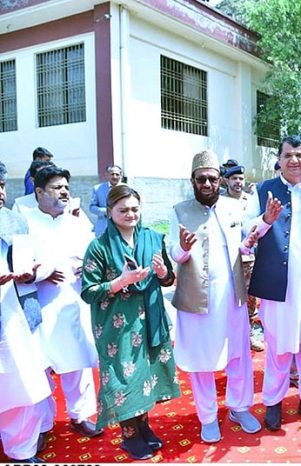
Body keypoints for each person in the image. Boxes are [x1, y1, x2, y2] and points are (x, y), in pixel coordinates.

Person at [80, 185, 180, 460]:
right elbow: (88, 291)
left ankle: (144, 428)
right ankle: (130, 435)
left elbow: (169, 279)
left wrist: (162, 273)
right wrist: (120, 281)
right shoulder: (98, 247)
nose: (130, 214)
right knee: (123, 377)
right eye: (122, 210)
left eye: (135, 209)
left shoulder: (151, 238)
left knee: (144, 374)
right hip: (117, 324)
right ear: (110, 212)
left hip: (150, 316)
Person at [170, 150, 261, 443]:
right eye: (201, 179)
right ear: (192, 180)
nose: (207, 184)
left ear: (220, 179)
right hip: (197, 300)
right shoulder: (179, 211)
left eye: (212, 178)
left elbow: (246, 246)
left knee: (239, 356)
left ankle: (239, 407)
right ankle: (208, 417)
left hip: (232, 297)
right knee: (201, 360)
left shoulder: (235, 208)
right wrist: (183, 248)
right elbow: (175, 253)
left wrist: (251, 241)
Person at [245, 135, 301, 431]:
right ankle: (273, 403)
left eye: (299, 155)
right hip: (276, 284)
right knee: (278, 347)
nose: (294, 160)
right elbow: (246, 232)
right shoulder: (262, 191)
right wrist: (266, 220)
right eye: (288, 156)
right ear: (279, 160)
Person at [22, 165, 102, 439]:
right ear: (39, 192)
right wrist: (40, 274)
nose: (64, 192)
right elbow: (17, 262)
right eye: (57, 187)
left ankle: (80, 416)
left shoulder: (78, 223)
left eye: (66, 187)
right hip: (39, 304)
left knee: (77, 360)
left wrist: (89, 268)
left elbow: (95, 255)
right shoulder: (26, 222)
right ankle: (43, 425)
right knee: (40, 365)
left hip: (74, 301)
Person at [0, 161, 53, 463]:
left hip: (18, 314)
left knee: (20, 383)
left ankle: (20, 451)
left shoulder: (15, 221)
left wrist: (32, 274)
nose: (0, 192)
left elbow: (42, 261)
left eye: (2, 185)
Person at [222, 164, 265, 352]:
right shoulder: (220, 202)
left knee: (250, 298)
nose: (238, 182)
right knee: (228, 297)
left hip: (252, 258)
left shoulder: (251, 200)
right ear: (226, 181)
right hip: (229, 257)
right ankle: (228, 336)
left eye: (241, 179)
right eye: (234, 179)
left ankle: (248, 334)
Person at [89, 165, 123, 237]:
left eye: (117, 174)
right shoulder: (98, 189)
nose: (114, 177)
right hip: (103, 227)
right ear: (107, 175)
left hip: (121, 226)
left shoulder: (126, 188)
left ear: (120, 176)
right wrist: (105, 211)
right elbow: (92, 207)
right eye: (112, 174)